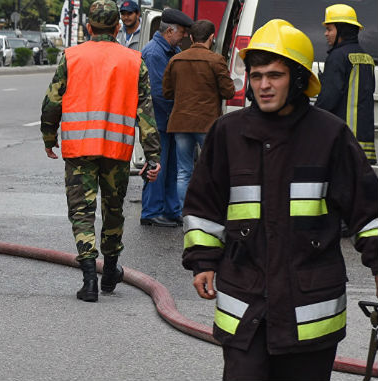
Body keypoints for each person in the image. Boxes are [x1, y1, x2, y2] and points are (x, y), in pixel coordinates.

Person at [181, 19, 378, 380]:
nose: (263, 86)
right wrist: (203, 260)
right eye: (256, 76)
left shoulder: (330, 135)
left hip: (309, 313)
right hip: (246, 303)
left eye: (274, 75)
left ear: (299, 79)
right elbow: (203, 203)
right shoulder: (228, 133)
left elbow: (369, 211)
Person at [40, 0, 162, 303]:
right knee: (114, 210)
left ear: (88, 27)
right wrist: (153, 156)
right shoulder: (134, 61)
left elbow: (53, 101)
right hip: (116, 150)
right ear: (118, 27)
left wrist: (48, 136)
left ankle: (88, 280)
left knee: (82, 213)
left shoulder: (72, 56)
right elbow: (146, 112)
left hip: (80, 149)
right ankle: (109, 272)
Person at [162, 19, 235, 209]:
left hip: (180, 122)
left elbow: (167, 92)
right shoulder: (216, 60)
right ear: (212, 38)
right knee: (212, 169)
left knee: (183, 171)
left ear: (192, 37)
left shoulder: (176, 60)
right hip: (207, 124)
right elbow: (229, 92)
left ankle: (185, 213)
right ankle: (208, 210)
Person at [139, 8, 193, 228]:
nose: (183, 37)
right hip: (158, 121)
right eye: (181, 33)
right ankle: (151, 211)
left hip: (169, 121)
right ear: (169, 30)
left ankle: (171, 210)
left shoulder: (171, 50)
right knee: (157, 168)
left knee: (170, 167)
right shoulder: (154, 53)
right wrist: (177, 111)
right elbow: (158, 93)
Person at [315, 4, 376, 165]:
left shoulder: (337, 57)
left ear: (341, 30)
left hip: (343, 143)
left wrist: (310, 118)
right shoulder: (367, 58)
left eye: (329, 29)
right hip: (364, 146)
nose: (326, 34)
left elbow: (328, 99)